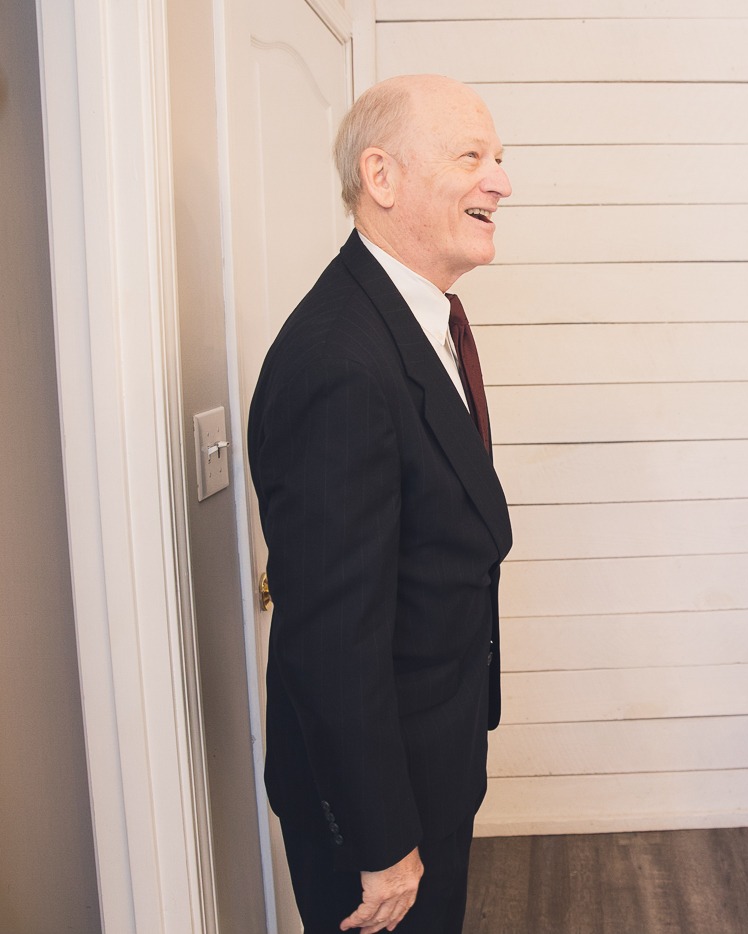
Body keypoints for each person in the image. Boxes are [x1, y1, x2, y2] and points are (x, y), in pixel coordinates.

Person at [248, 73, 513, 933]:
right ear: (383, 177)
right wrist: (383, 840)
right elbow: (329, 637)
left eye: (499, 159)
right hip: (374, 806)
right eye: (471, 156)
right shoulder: (343, 363)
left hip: (428, 757)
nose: (500, 181)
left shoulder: (417, 320)